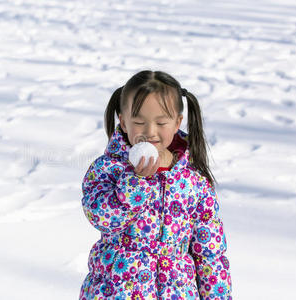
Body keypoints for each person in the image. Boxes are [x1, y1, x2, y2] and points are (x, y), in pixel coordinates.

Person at [79, 70, 232, 300]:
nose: (150, 132)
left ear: (177, 122)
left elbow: (210, 252)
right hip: (116, 289)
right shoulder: (108, 169)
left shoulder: (193, 181)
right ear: (123, 120)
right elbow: (101, 217)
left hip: (177, 291)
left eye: (161, 122)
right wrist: (134, 184)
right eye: (139, 122)